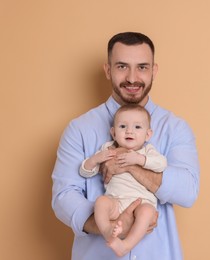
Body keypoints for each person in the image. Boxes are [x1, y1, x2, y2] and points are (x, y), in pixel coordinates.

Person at [52, 32, 200, 260]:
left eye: (142, 67)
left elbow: (187, 191)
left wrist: (130, 164)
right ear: (108, 70)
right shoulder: (79, 129)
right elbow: (63, 197)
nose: (132, 78)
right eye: (122, 66)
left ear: (154, 71)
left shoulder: (175, 128)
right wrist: (113, 225)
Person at [79, 104, 167, 257]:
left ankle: (126, 245)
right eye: (122, 126)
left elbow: (161, 164)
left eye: (137, 127)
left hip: (142, 202)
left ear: (148, 135)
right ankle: (107, 231)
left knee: (147, 212)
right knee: (101, 202)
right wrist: (95, 159)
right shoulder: (108, 149)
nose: (129, 131)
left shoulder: (147, 150)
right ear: (113, 132)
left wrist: (139, 159)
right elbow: (85, 171)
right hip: (116, 202)